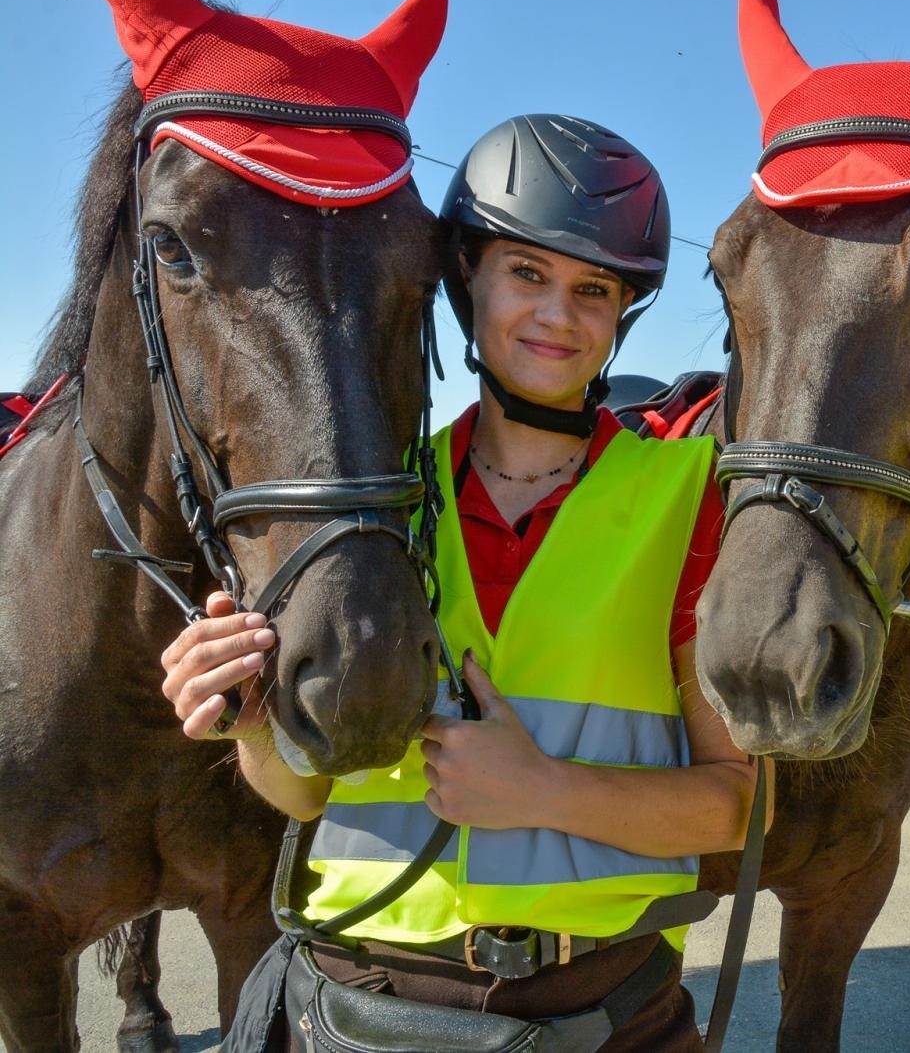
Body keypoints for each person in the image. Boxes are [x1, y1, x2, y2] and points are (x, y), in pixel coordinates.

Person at [160, 114, 766, 1052]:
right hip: (360, 998)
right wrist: (250, 727)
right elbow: (305, 795)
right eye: (527, 274)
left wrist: (545, 791)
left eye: (593, 288)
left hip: (599, 1004)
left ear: (620, 315)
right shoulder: (366, 505)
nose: (558, 315)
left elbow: (737, 803)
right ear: (465, 283)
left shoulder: (688, 498)